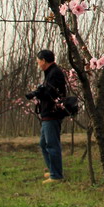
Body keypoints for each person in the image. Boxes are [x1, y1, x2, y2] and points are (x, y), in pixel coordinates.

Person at [28, 49, 68, 184]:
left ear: (44, 60)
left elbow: (51, 93)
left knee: (51, 145)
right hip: (48, 114)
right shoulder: (50, 73)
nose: (38, 64)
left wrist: (37, 93)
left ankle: (56, 176)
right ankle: (53, 170)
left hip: (52, 114)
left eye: (39, 61)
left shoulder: (54, 73)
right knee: (44, 144)